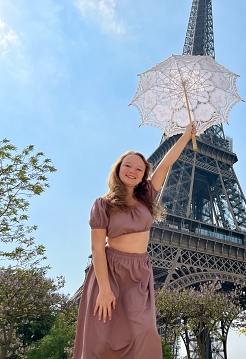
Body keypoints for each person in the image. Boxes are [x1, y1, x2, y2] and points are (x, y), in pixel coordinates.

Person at [73, 123, 197, 359]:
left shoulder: (147, 197)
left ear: (143, 175)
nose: (132, 171)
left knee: (145, 332)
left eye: (138, 169)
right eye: (127, 165)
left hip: (139, 271)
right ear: (118, 169)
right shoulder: (103, 204)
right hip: (110, 269)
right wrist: (105, 290)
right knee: (102, 338)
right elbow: (97, 249)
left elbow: (166, 164)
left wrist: (184, 136)